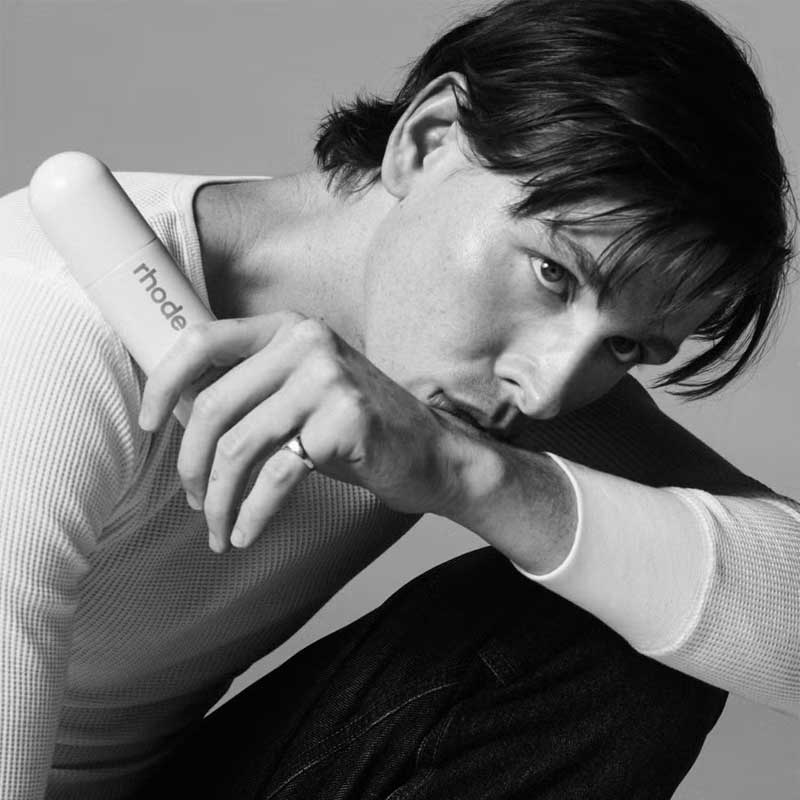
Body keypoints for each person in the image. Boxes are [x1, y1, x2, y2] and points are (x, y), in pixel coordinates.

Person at [1, 0, 798, 797]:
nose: (547, 387)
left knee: (637, 612)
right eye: (552, 273)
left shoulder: (509, 380)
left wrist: (466, 473)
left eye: (626, 347)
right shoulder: (45, 323)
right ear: (429, 141)